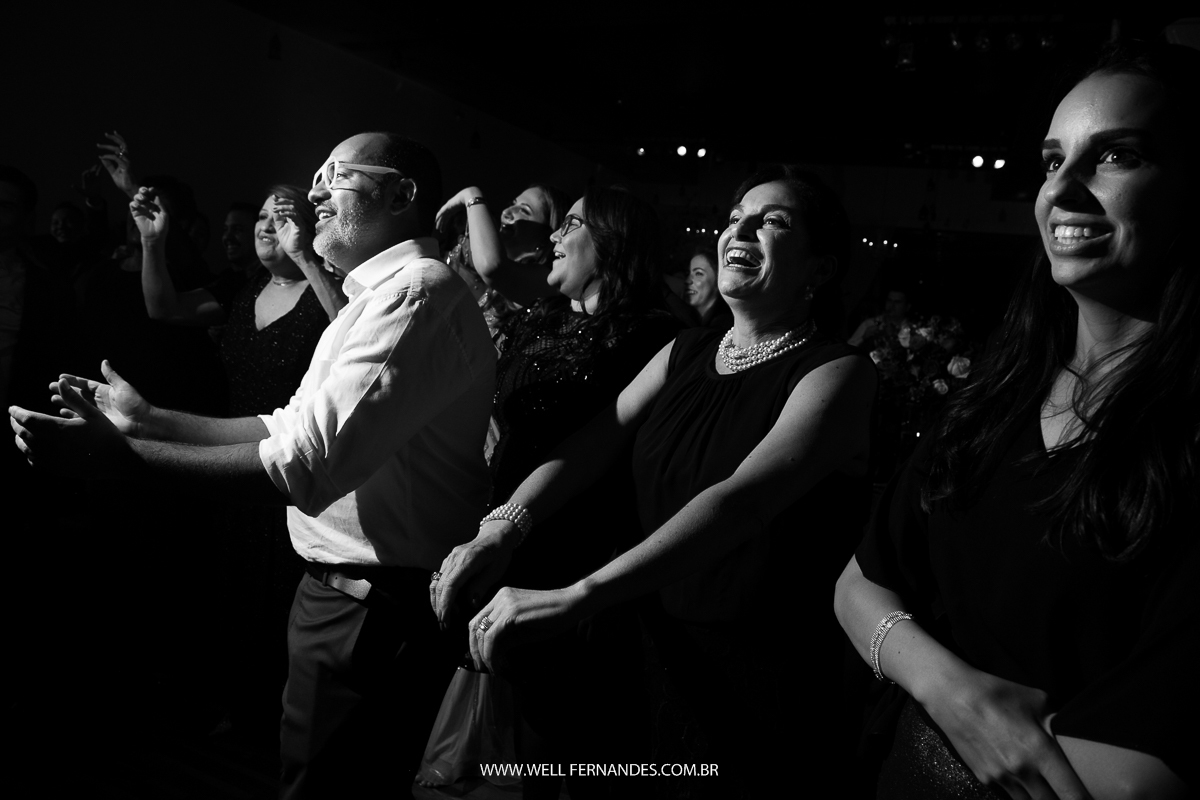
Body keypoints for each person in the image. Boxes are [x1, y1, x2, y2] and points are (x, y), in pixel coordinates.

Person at [10, 131, 497, 800]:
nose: (315, 192)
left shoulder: (414, 293)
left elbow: (302, 463)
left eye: (336, 175)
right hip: (344, 591)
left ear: (401, 194)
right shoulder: (376, 296)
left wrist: (117, 459)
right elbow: (285, 424)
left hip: (374, 602)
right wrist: (147, 419)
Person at [432, 165, 875, 798]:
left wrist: (578, 594)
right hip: (644, 637)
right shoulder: (685, 351)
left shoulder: (838, 373)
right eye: (735, 218)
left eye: (772, 222)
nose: (740, 230)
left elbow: (739, 503)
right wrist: (502, 528)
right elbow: (592, 444)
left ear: (821, 268)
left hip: (748, 661)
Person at [833, 42, 1197, 799]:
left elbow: (1141, 767)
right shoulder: (999, 394)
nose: (1060, 188)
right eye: (1052, 160)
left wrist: (922, 683)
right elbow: (857, 584)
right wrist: (954, 695)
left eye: (1117, 156)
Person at [435, 183, 570, 332]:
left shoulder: (548, 281)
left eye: (524, 210)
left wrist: (472, 195)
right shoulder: (495, 289)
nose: (506, 212)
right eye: (512, 204)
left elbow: (491, 266)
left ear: (545, 239)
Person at [683, 246, 730, 327]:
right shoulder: (689, 321)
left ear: (718, 278)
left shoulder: (724, 326)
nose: (688, 281)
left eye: (698, 273)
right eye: (688, 273)